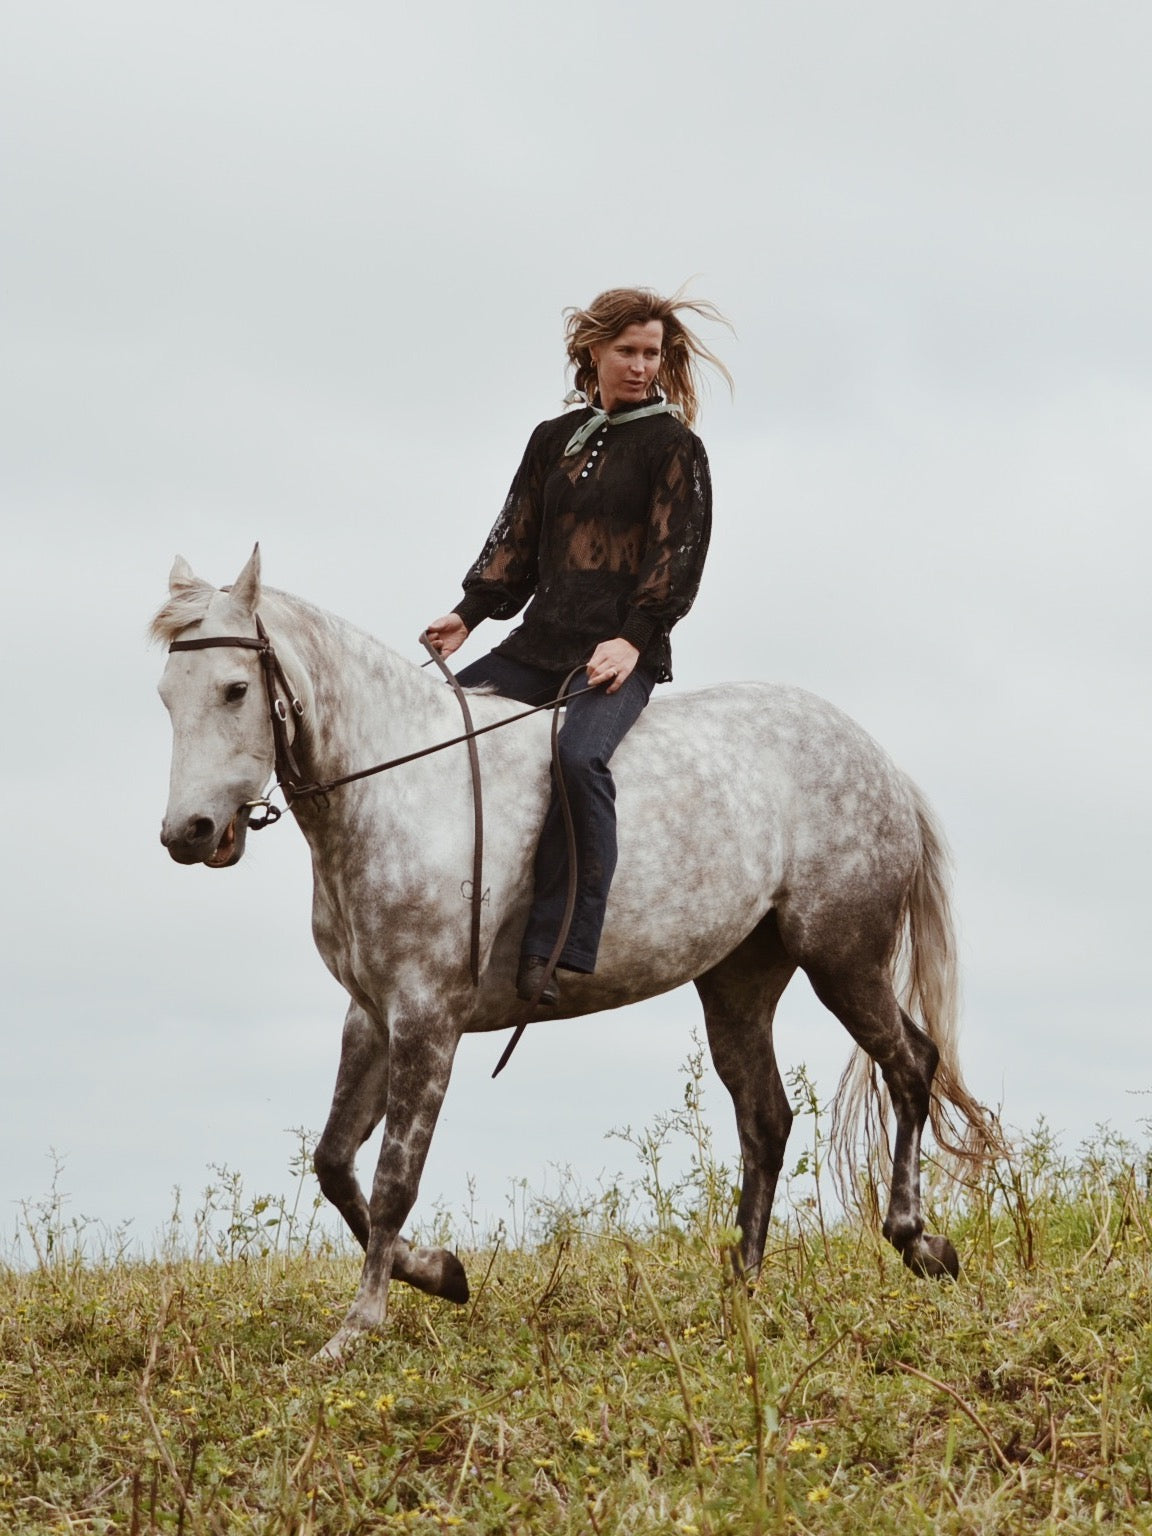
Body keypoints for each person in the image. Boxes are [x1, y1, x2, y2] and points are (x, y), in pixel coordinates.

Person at [425, 287, 730, 1004]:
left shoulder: (675, 447)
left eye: (651, 353)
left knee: (577, 757)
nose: (640, 366)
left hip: (619, 652)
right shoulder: (551, 439)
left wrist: (633, 640)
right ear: (592, 351)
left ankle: (555, 946)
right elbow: (518, 543)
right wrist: (469, 615)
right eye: (626, 351)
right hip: (537, 644)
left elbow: (676, 560)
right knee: (438, 730)